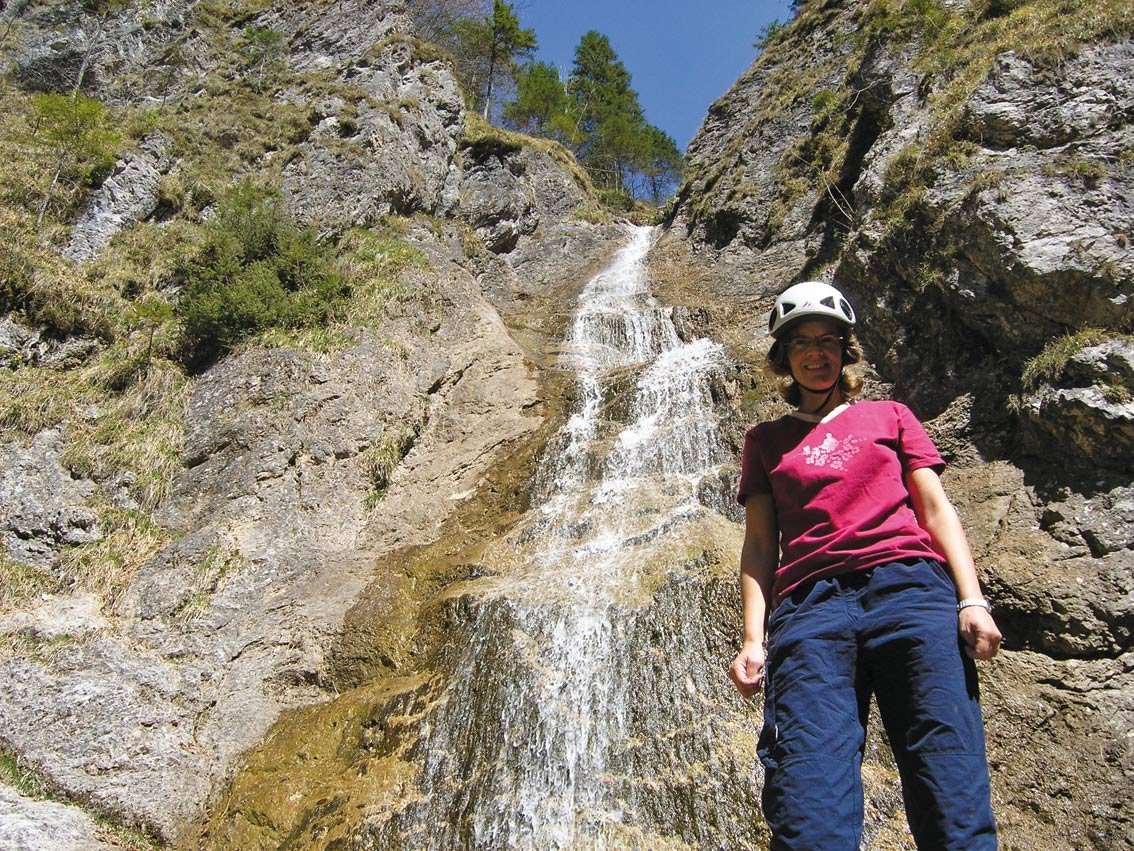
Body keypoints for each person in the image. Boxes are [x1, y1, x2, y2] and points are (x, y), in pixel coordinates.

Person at [728, 281, 1002, 850]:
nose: (816, 352)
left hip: (911, 591)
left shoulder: (890, 416)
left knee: (950, 784)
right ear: (784, 356)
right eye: (801, 342)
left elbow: (934, 510)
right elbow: (758, 545)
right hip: (810, 610)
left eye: (827, 340)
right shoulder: (766, 440)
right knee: (807, 801)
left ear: (845, 350)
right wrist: (753, 638)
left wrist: (971, 599)